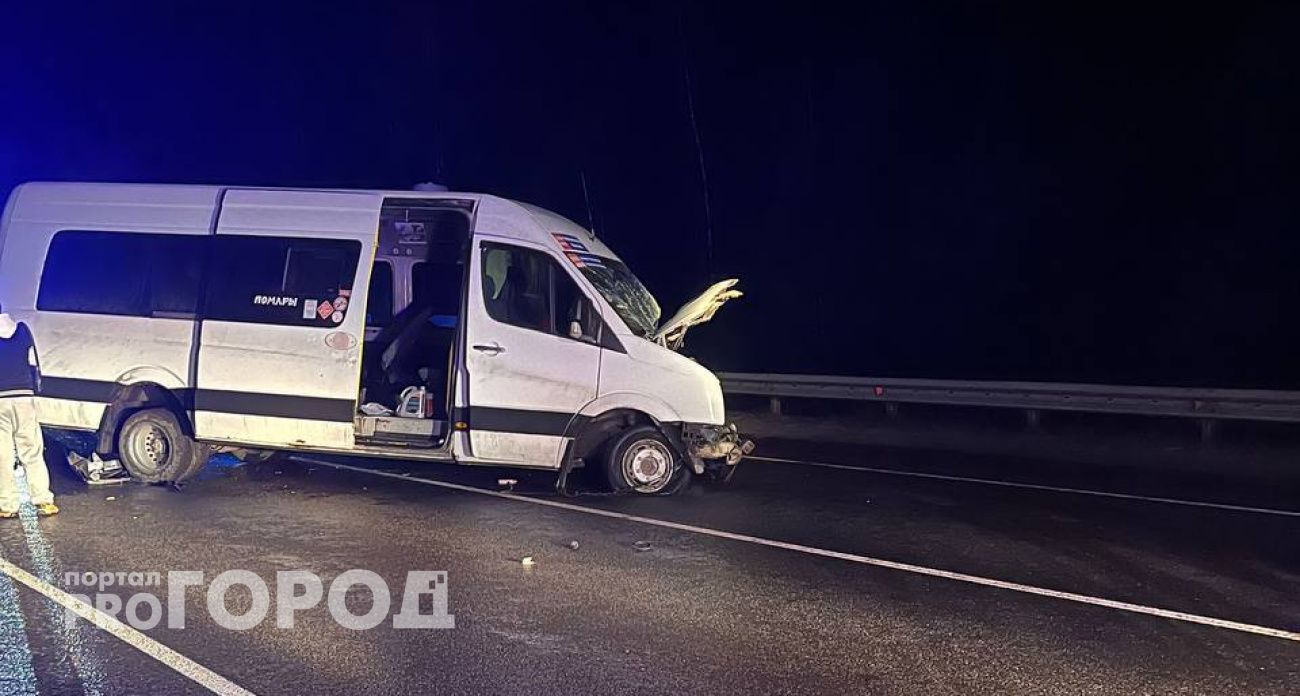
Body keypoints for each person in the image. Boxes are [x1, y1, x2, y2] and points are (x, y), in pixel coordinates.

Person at [0, 302, 57, 518]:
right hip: (24, 397)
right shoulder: (23, 330)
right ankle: (43, 500)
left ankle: (7, 505)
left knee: (2, 456)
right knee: (32, 451)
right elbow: (33, 363)